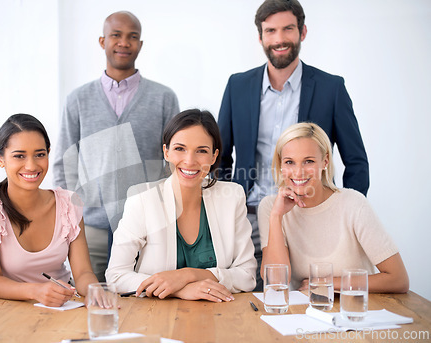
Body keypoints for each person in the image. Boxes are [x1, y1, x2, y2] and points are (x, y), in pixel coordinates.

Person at [217, 0, 369, 290]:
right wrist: (226, 205)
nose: (279, 39)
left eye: (288, 29)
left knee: (313, 298)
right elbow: (221, 157)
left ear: (303, 32)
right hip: (249, 218)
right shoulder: (238, 85)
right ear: (260, 37)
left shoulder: (331, 88)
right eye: (270, 30)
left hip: (312, 215)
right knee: (258, 302)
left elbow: (357, 161)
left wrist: (346, 211)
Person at [53, 11, 179, 282]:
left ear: (140, 45)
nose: (124, 42)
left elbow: (174, 162)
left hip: (148, 227)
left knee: (147, 302)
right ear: (102, 41)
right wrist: (74, 214)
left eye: (132, 37)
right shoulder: (78, 100)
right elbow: (65, 163)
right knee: (89, 303)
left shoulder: (163, 98)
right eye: (116, 35)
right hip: (92, 227)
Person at [106, 109, 257, 301]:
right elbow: (116, 276)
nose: (190, 161)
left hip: (220, 318)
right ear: (166, 152)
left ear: (213, 156)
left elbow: (248, 275)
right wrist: (180, 290)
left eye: (201, 151)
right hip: (155, 318)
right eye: (180, 149)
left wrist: (187, 275)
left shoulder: (232, 197)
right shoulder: (142, 199)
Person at [0, 114, 98, 307]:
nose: (31, 165)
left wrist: (95, 291)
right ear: (0, 158)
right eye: (19, 156)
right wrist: (36, 291)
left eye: (40, 154)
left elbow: (84, 272)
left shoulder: (69, 203)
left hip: (60, 307)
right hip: (4, 309)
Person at [258, 122, 408, 293]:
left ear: (325, 161)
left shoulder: (353, 204)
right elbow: (277, 283)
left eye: (308, 161)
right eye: (290, 162)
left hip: (355, 309)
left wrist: (326, 283)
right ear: (281, 166)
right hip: (304, 313)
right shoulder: (271, 207)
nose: (298, 172)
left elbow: (398, 279)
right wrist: (276, 217)